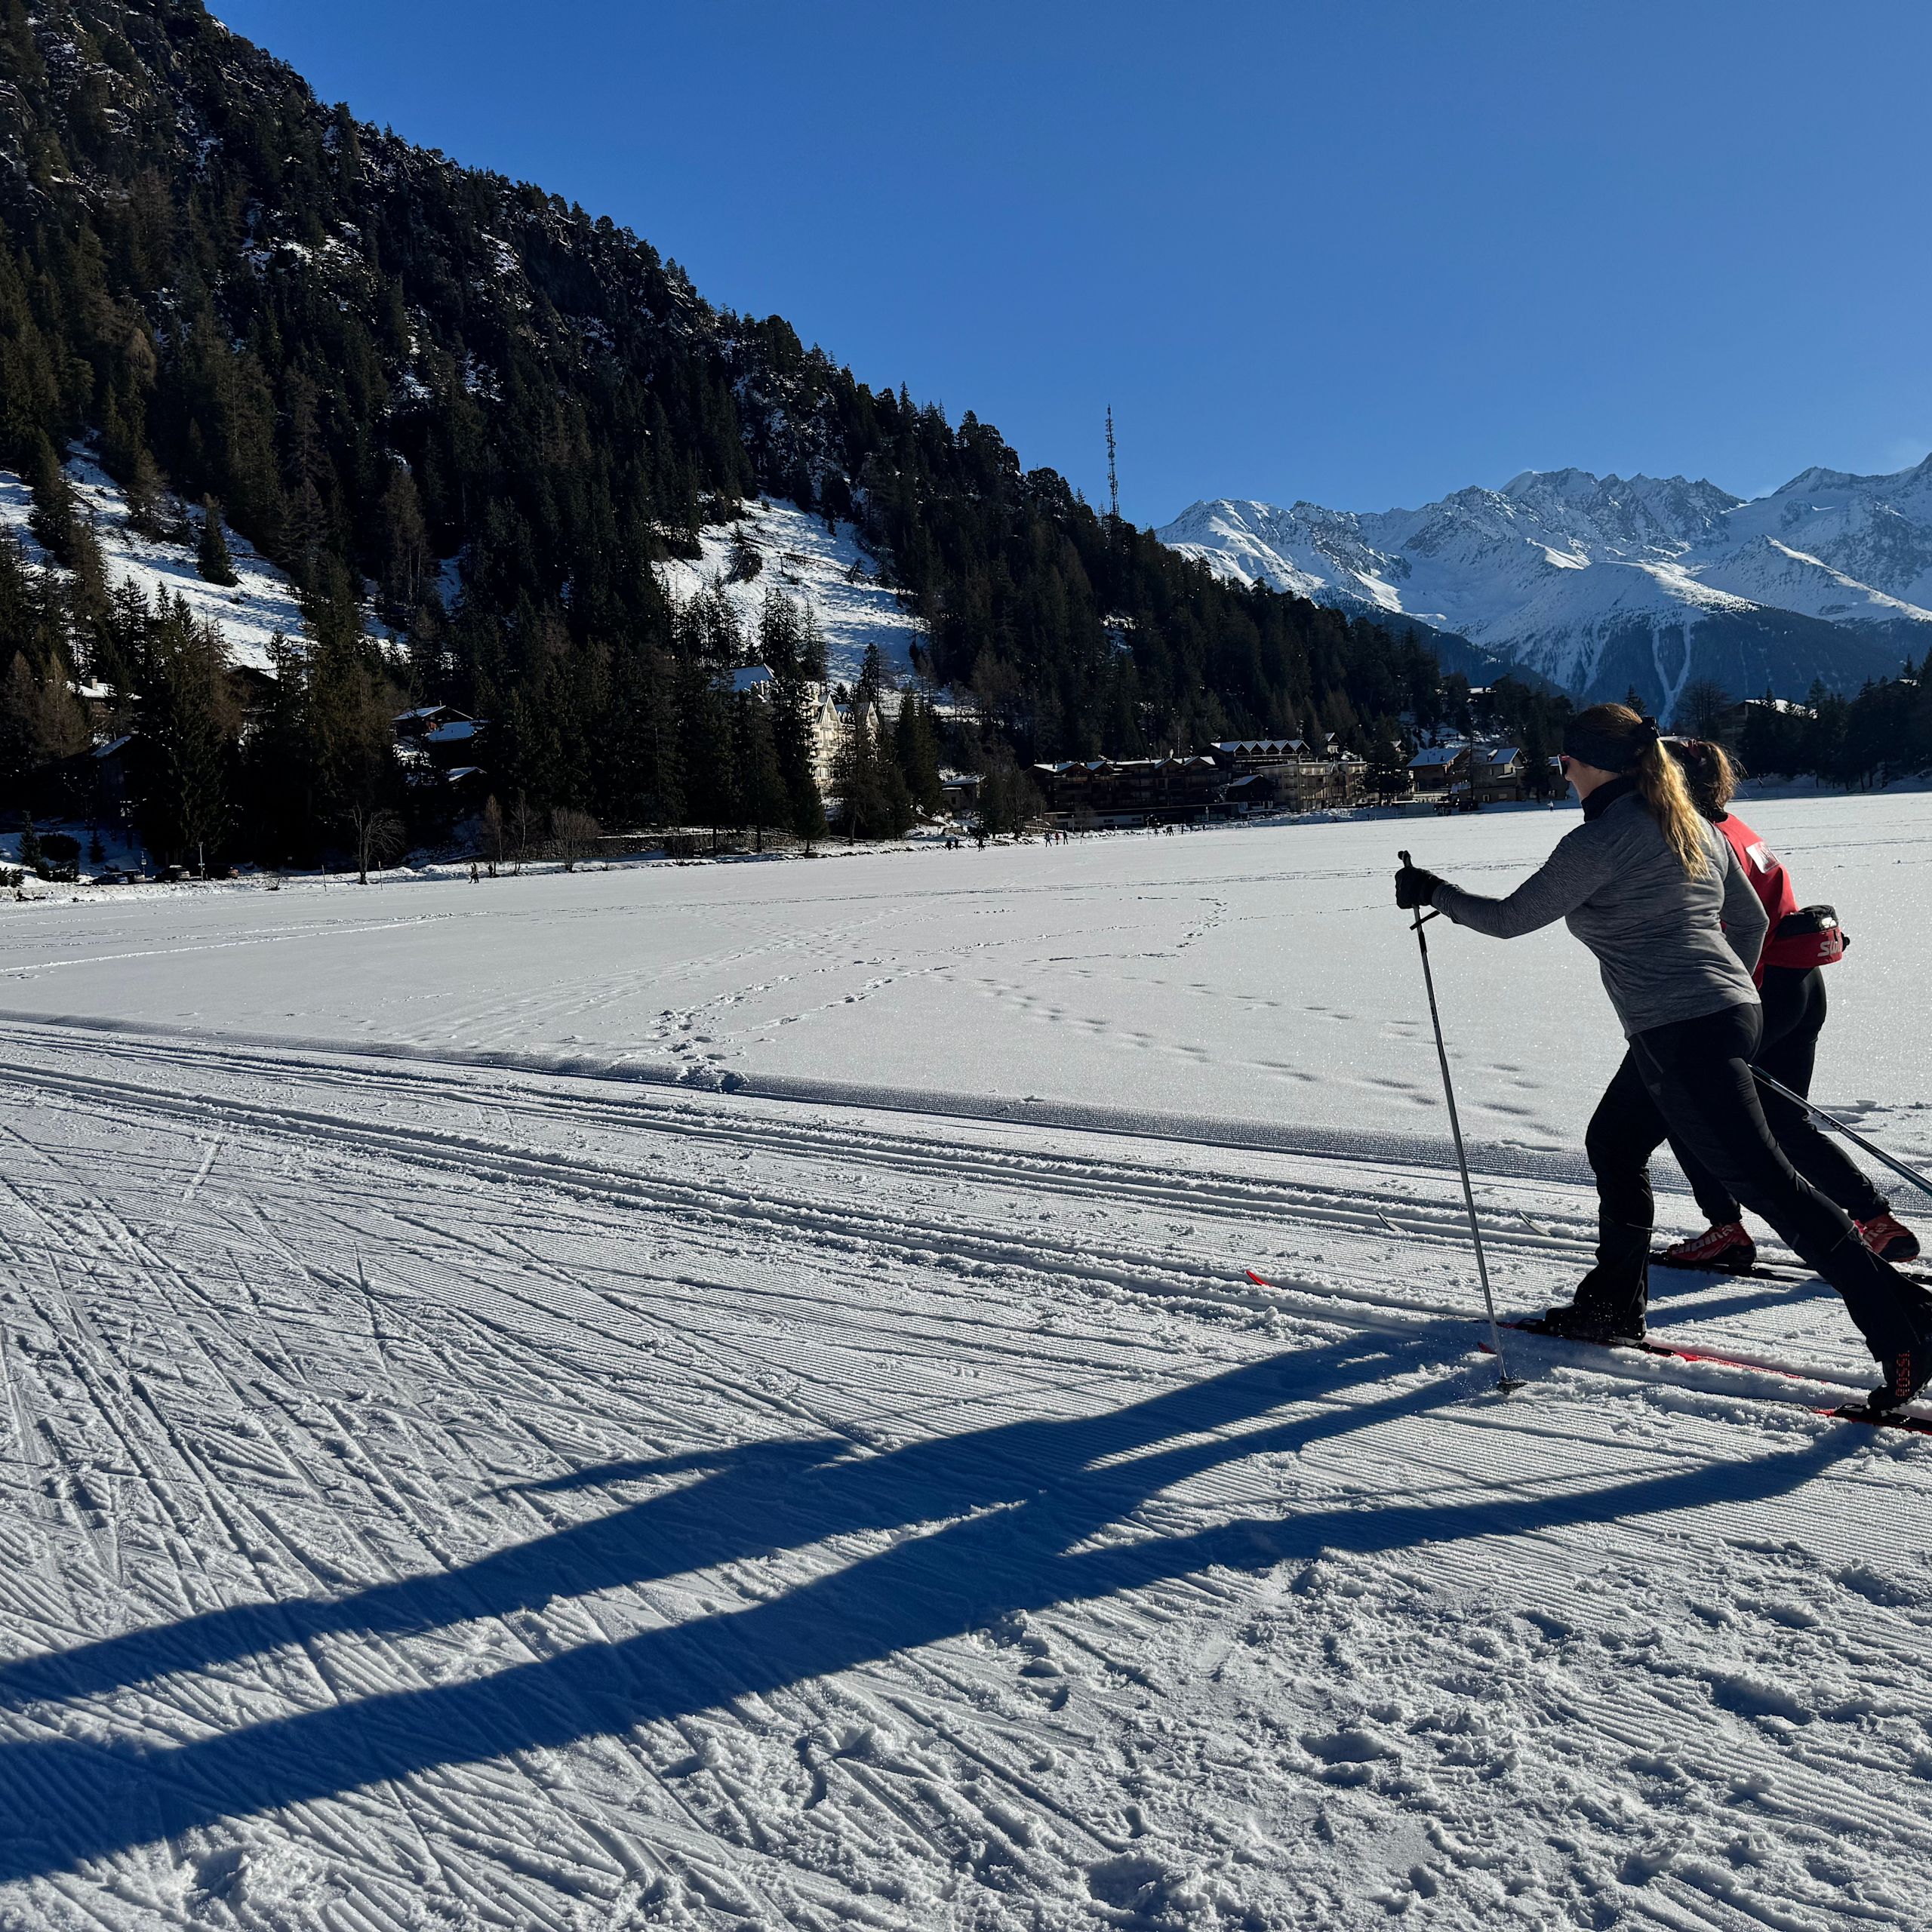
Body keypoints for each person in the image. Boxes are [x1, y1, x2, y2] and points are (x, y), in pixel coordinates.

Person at [1392, 703, 1931, 1411]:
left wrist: (1434, 892)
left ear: (1587, 764)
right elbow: (1752, 920)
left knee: (1774, 1189)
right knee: (1614, 1141)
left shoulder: (1600, 841)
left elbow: (1507, 919)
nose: (1563, 772)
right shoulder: (1692, 825)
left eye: (1566, 761)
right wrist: (1727, 990)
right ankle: (1612, 1307)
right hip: (1716, 1019)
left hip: (1685, 1031)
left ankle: (1904, 1331)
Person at [1660, 739, 1917, 1272]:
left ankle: (1725, 1229)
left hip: (1759, 990)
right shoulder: (1737, 828)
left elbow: (1728, 928)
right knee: (1783, 1118)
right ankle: (1875, 1220)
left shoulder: (1697, 840)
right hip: (1800, 984)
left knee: (1687, 1103)